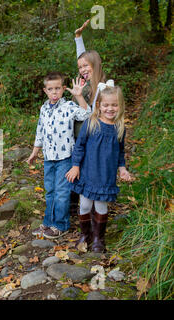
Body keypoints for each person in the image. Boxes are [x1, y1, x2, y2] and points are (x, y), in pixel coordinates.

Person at [66, 83, 133, 252]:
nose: (110, 109)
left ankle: (98, 239)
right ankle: (85, 235)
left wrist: (122, 169)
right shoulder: (91, 123)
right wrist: (75, 166)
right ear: (99, 106)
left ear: (120, 106)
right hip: (88, 172)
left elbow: (120, 152)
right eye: (106, 105)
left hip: (105, 175)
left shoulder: (119, 128)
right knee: (85, 205)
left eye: (114, 105)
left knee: (101, 206)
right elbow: (79, 146)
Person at [27, 71, 92, 239]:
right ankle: (48, 222)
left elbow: (87, 114)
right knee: (50, 191)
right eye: (50, 89)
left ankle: (61, 225)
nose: (54, 92)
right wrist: (35, 152)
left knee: (62, 191)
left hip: (65, 157)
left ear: (63, 89)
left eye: (57, 88)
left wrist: (79, 96)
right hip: (49, 157)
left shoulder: (69, 107)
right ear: (45, 90)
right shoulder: (44, 109)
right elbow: (40, 131)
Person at [69, 19, 107, 216]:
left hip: (93, 139)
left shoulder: (103, 87)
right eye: (79, 67)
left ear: (95, 64)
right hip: (80, 136)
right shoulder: (86, 81)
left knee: (90, 171)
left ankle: (92, 208)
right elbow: (83, 60)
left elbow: (92, 116)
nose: (82, 70)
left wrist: (78, 97)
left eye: (86, 66)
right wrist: (78, 38)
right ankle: (78, 203)